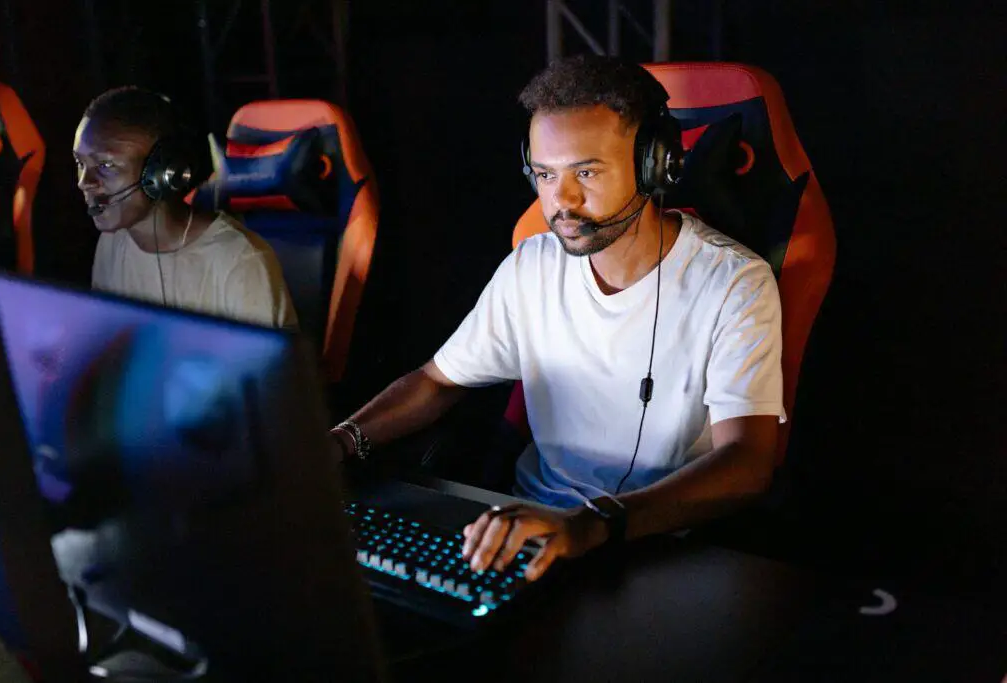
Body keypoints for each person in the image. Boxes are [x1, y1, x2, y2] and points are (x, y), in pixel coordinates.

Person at [331, 54, 784, 582]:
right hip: (529, 530)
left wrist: (589, 526)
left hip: (658, 545)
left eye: (585, 172)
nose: (560, 201)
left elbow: (748, 464)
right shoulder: (532, 265)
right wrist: (340, 443)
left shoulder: (733, 282)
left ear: (654, 164)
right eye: (545, 174)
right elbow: (436, 381)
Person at [73, 86, 296, 329]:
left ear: (163, 173)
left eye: (105, 165)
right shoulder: (112, 242)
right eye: (80, 162)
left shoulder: (241, 263)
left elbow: (265, 367)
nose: (84, 182)